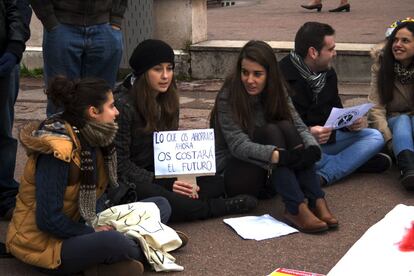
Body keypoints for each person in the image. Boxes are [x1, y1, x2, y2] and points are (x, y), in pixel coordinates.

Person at [6, 76, 173, 275]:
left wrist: (115, 218)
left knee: (160, 205)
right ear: (93, 112)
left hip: (82, 221)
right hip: (45, 244)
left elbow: (100, 198)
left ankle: (130, 251)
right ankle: (148, 244)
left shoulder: (96, 136)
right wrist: (91, 232)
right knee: (116, 242)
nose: (117, 112)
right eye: (111, 106)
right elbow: (48, 220)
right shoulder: (58, 151)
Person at [113, 39, 258, 223]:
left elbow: (170, 147)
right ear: (142, 73)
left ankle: (193, 201)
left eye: (170, 68)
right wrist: (165, 183)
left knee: (213, 183)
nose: (165, 76)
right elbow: (121, 166)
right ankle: (215, 207)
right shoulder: (123, 106)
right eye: (157, 69)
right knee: (167, 199)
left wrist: (184, 176)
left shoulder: (168, 97)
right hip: (134, 179)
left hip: (161, 170)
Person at [210, 40, 338, 234]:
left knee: (285, 125)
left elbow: (298, 125)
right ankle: (295, 207)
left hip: (267, 170)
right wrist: (279, 156)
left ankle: (316, 199)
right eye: (245, 73)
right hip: (235, 171)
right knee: (271, 131)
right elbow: (238, 145)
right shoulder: (229, 95)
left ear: (269, 74)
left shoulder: (277, 89)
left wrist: (312, 148)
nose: (250, 80)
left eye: (257, 74)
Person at [279, 22, 391, 186]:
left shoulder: (328, 72)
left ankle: (329, 170)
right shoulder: (281, 75)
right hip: (299, 145)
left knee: (374, 137)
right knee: (300, 158)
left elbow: (335, 111)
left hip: (327, 140)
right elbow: (276, 123)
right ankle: (343, 167)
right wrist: (308, 132)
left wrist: (349, 122)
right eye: (330, 49)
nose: (335, 53)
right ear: (313, 52)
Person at [29, 0, 127, 116]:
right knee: (60, 97)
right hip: (61, 24)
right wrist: (49, 19)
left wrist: (116, 18)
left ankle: (98, 133)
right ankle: (60, 132)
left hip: (105, 25)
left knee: (101, 100)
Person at [0, 0, 31, 258]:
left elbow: (18, 6)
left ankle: (4, 197)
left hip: (3, 56)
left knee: (2, 134)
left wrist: (14, 46)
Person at [368, 20, 414, 189]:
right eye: (395, 40)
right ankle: (408, 170)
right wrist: (389, 141)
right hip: (393, 123)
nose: (397, 45)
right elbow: (376, 108)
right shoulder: (381, 65)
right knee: (402, 121)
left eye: (405, 41)